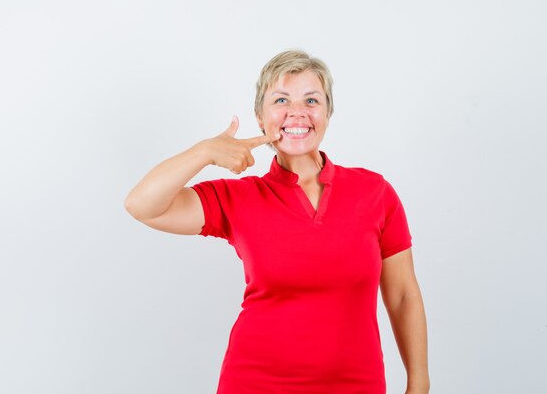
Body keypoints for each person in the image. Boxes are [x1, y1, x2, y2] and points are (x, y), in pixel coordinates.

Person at [124, 50, 430, 394]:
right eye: (281, 99)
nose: (297, 112)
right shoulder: (238, 198)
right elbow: (142, 205)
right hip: (255, 383)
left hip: (356, 385)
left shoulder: (375, 192)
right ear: (261, 117)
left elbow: (403, 295)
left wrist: (419, 384)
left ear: (327, 112)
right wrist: (205, 152)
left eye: (311, 99)